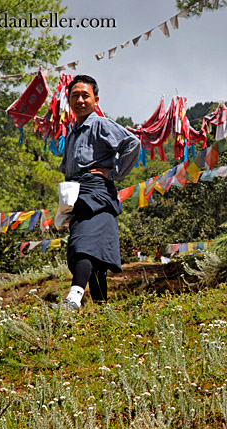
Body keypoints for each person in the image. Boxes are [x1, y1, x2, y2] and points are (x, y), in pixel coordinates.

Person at [58, 74, 140, 309]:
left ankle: (73, 299)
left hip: (98, 193)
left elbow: (132, 143)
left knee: (84, 246)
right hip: (78, 195)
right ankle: (103, 313)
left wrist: (113, 172)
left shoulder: (100, 124)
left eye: (86, 95)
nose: (80, 100)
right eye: (75, 96)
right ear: (69, 100)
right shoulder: (73, 132)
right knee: (93, 254)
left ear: (96, 100)